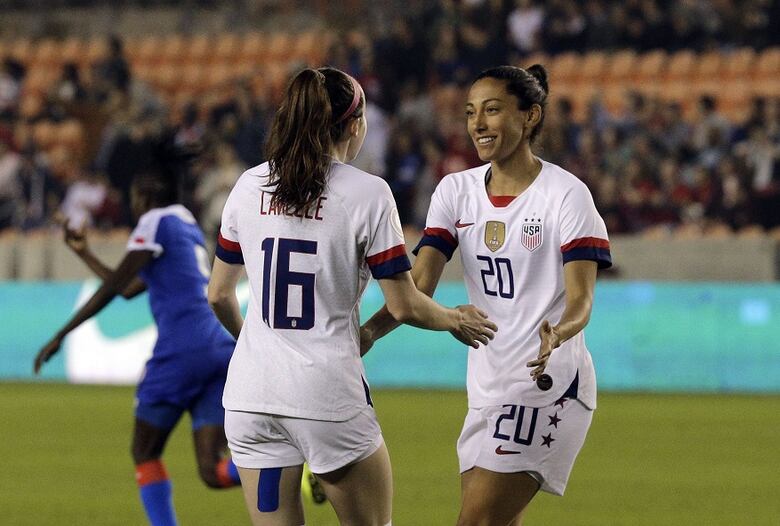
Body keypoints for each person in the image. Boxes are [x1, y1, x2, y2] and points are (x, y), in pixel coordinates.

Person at [207, 66, 497, 526]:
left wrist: (257, 344)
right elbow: (403, 303)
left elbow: (219, 294)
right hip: (325, 399)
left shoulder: (249, 185)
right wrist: (454, 319)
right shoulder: (367, 193)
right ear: (355, 125)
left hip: (249, 398)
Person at [361, 65, 612, 525]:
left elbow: (582, 301)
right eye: (470, 112)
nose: (478, 123)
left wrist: (558, 333)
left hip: (547, 384)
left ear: (530, 116)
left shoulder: (566, 195)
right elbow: (418, 286)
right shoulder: (456, 191)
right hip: (486, 388)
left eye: (492, 110)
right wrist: (370, 332)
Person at [33, 135, 242, 526]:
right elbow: (130, 287)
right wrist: (85, 252)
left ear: (146, 193)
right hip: (219, 351)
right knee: (213, 471)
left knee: (144, 452)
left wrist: (60, 334)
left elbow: (115, 288)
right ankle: (292, 468)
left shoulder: (155, 221)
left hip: (182, 352)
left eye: (134, 196)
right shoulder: (187, 226)